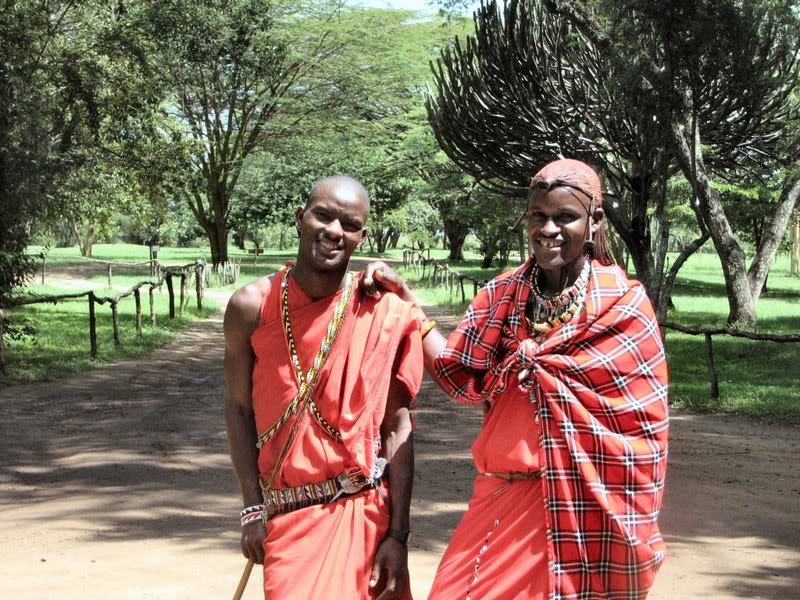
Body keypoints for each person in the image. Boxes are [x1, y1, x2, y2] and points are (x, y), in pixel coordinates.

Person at [363, 159, 669, 599]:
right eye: (538, 216)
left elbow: (640, 437)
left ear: (596, 222)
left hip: (577, 509)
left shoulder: (623, 309)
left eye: (565, 217)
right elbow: (459, 372)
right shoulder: (503, 295)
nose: (549, 229)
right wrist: (409, 305)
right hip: (497, 496)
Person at [224, 176, 423, 599]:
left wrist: (399, 535)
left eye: (349, 224)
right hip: (287, 518)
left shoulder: (379, 311)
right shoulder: (250, 307)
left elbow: (397, 428)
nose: (335, 231)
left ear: (361, 237)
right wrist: (250, 510)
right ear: (301, 218)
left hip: (365, 518)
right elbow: (239, 410)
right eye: (324, 215)